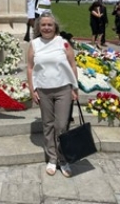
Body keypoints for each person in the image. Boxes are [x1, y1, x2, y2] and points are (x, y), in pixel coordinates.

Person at [26, 12, 79, 178]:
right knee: (48, 125)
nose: (46, 28)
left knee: (61, 125)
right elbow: (30, 67)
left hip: (63, 88)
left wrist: (74, 88)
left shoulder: (63, 43)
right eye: (43, 25)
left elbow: (72, 64)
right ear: (38, 27)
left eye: (49, 25)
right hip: (43, 90)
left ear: (55, 26)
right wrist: (32, 88)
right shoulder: (34, 44)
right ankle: (52, 158)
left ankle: (64, 159)